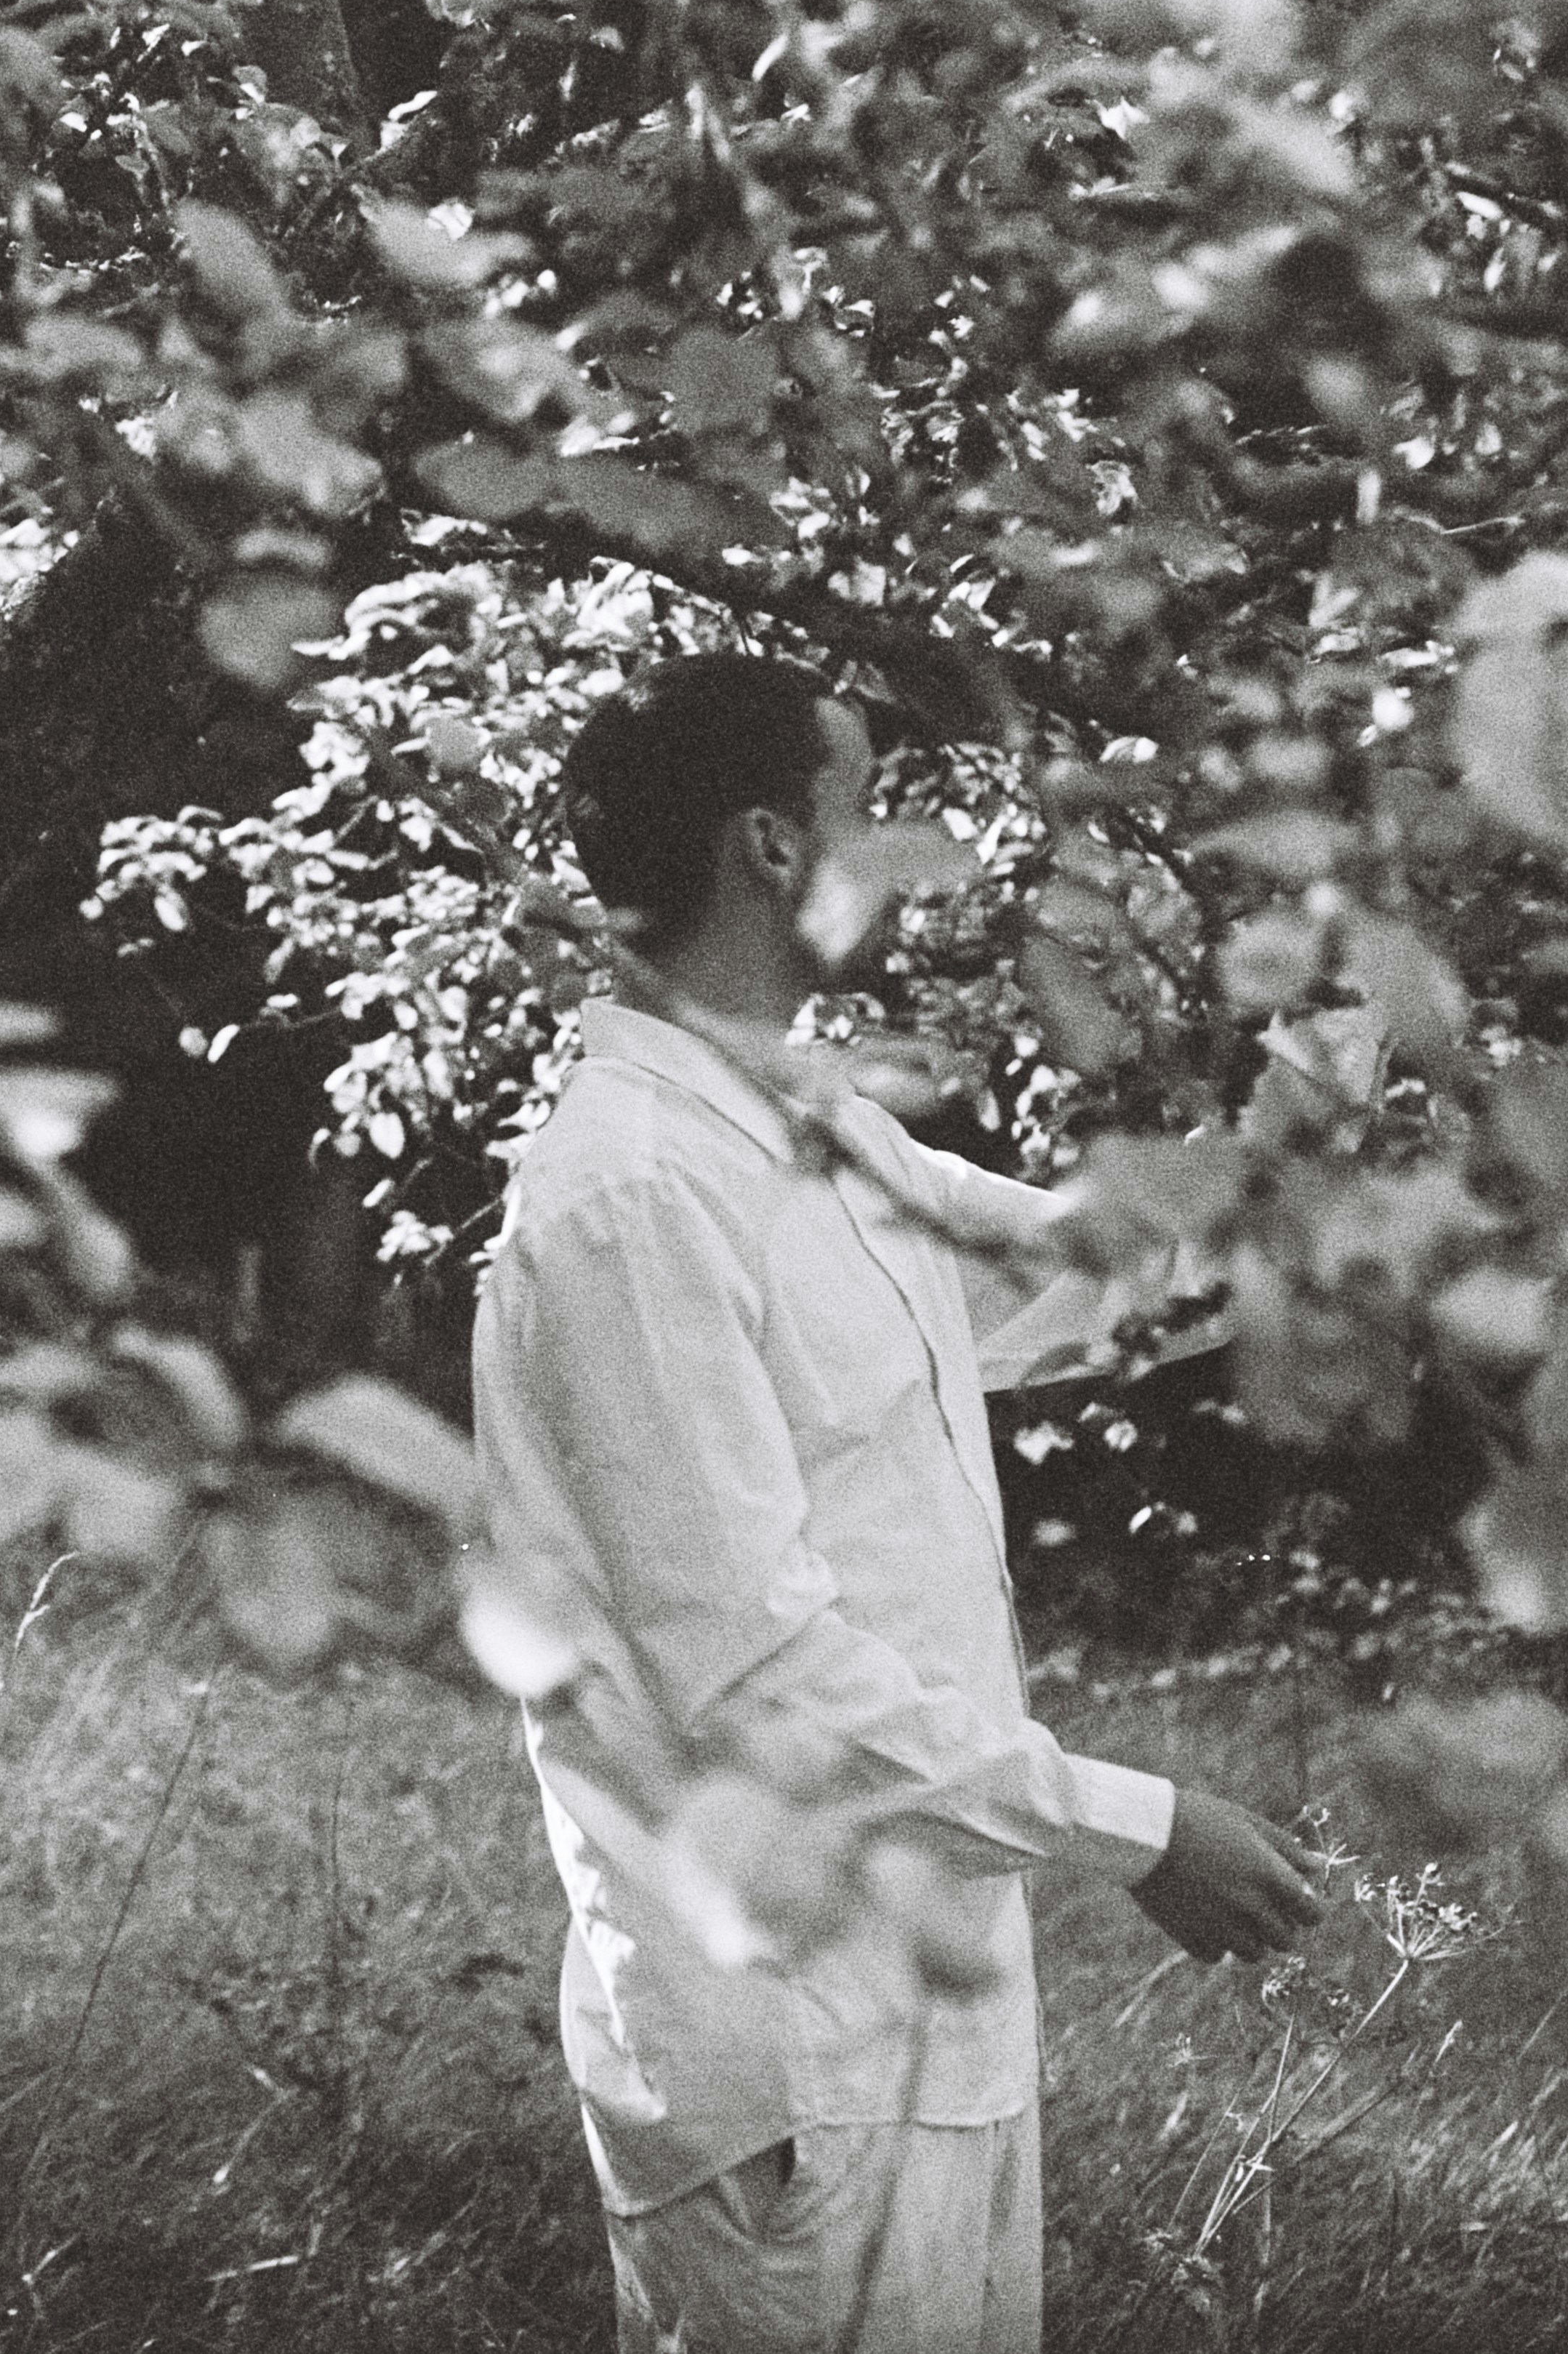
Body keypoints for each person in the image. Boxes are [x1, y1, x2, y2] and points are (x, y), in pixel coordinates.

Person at [471, 656, 1327, 2354]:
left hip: (927, 2037)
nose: (916, 848)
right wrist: (1138, 1828)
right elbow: (759, 1686)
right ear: (774, 846)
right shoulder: (631, 1197)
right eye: (876, 806)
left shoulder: (810, 1124)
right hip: (788, 2066)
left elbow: (1097, 1281)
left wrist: (1334, 1022)